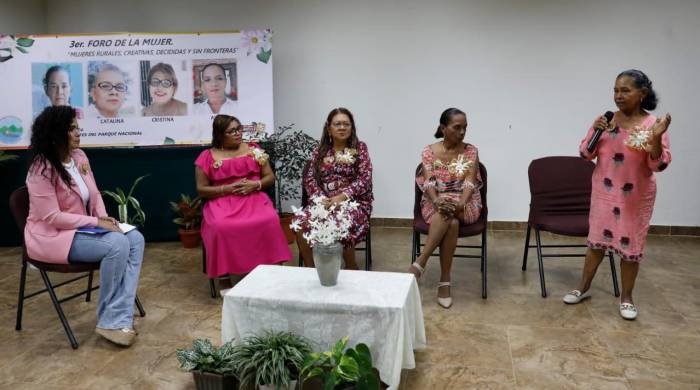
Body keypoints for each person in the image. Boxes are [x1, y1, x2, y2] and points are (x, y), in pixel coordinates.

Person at [25, 106, 144, 347]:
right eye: (71, 129)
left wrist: (104, 217)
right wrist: (95, 222)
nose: (78, 133)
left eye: (77, 127)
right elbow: (52, 217)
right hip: (53, 237)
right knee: (117, 244)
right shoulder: (40, 169)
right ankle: (112, 320)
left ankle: (116, 315)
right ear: (55, 133)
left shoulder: (79, 157)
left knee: (136, 239)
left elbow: (95, 193)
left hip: (83, 229)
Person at [564, 70, 672, 320]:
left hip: (635, 198)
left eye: (625, 91)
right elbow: (585, 153)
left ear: (642, 93)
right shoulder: (607, 119)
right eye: (615, 90)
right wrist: (595, 129)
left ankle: (627, 298)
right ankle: (583, 287)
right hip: (604, 193)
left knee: (630, 248)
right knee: (595, 245)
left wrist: (655, 138)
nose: (618, 96)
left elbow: (659, 165)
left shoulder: (652, 126)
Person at [195, 114, 291, 293]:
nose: (238, 133)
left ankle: (272, 270)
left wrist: (256, 184)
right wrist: (227, 189)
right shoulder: (207, 156)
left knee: (269, 219)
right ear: (220, 134)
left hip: (253, 197)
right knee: (220, 226)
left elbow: (270, 176)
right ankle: (224, 278)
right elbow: (201, 189)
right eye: (232, 131)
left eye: (239, 129)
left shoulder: (254, 149)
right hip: (222, 201)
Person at [408, 108, 482, 309]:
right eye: (457, 127)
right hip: (436, 202)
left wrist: (461, 202)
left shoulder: (471, 151)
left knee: (451, 212)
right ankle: (444, 281)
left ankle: (420, 263)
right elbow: (429, 182)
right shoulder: (429, 151)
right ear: (443, 128)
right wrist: (436, 200)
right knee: (452, 222)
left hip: (466, 203)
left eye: (465, 128)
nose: (462, 132)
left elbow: (469, 182)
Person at [296, 107, 373, 270]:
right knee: (301, 222)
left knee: (339, 219)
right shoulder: (320, 150)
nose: (342, 127)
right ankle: (312, 270)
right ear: (329, 128)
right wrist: (321, 199)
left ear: (352, 128)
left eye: (346, 124)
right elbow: (309, 179)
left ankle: (351, 267)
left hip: (354, 203)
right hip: (324, 202)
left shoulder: (360, 149)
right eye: (337, 124)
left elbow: (365, 179)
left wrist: (342, 197)